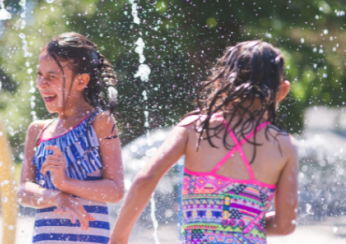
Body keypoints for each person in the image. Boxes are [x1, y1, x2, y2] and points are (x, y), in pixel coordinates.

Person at [109, 40, 299, 244]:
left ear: (220, 83)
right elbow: (285, 225)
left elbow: (145, 179)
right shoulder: (284, 146)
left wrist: (118, 238)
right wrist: (240, 224)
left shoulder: (194, 128)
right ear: (282, 91)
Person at [18, 32, 125, 244]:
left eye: (51, 76)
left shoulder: (99, 123)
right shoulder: (37, 130)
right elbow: (23, 192)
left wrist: (65, 183)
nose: (41, 83)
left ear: (81, 81)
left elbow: (115, 190)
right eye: (39, 74)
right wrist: (56, 196)